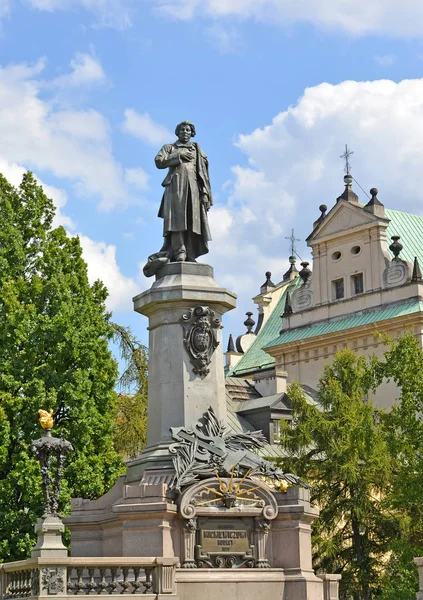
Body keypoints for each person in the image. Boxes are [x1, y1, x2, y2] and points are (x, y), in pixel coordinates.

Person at [154, 121, 212, 263]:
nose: (185, 132)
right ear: (178, 132)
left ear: (192, 133)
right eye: (182, 130)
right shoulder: (170, 147)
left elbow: (203, 174)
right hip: (176, 188)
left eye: (188, 130)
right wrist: (178, 156)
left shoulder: (196, 149)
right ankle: (180, 251)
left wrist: (205, 193)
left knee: (193, 221)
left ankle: (191, 252)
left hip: (194, 189)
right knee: (177, 221)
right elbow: (158, 161)